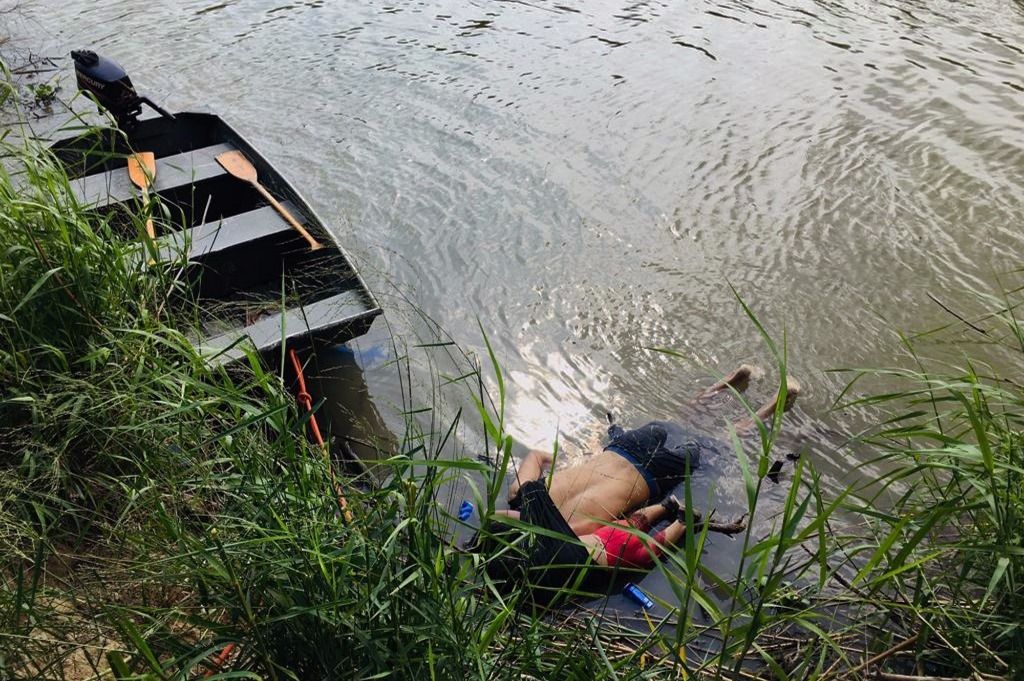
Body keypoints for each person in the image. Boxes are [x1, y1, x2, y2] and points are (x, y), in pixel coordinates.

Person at [504, 366, 800, 535]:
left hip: (652, 474)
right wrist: (574, 464)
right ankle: (737, 377)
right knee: (682, 418)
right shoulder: (520, 493)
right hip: (624, 447)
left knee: (721, 441)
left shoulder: (569, 532)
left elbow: (627, 522)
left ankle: (775, 403)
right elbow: (538, 456)